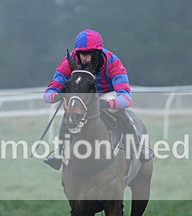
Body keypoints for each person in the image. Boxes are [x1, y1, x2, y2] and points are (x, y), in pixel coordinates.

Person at [43, 29, 152, 169]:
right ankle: (59, 153)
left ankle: (137, 145)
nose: (85, 58)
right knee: (69, 113)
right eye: (83, 54)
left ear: (98, 53)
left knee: (120, 111)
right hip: (83, 97)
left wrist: (105, 103)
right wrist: (60, 95)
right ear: (77, 52)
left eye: (90, 54)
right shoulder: (68, 62)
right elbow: (48, 94)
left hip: (107, 94)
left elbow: (126, 98)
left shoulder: (112, 61)